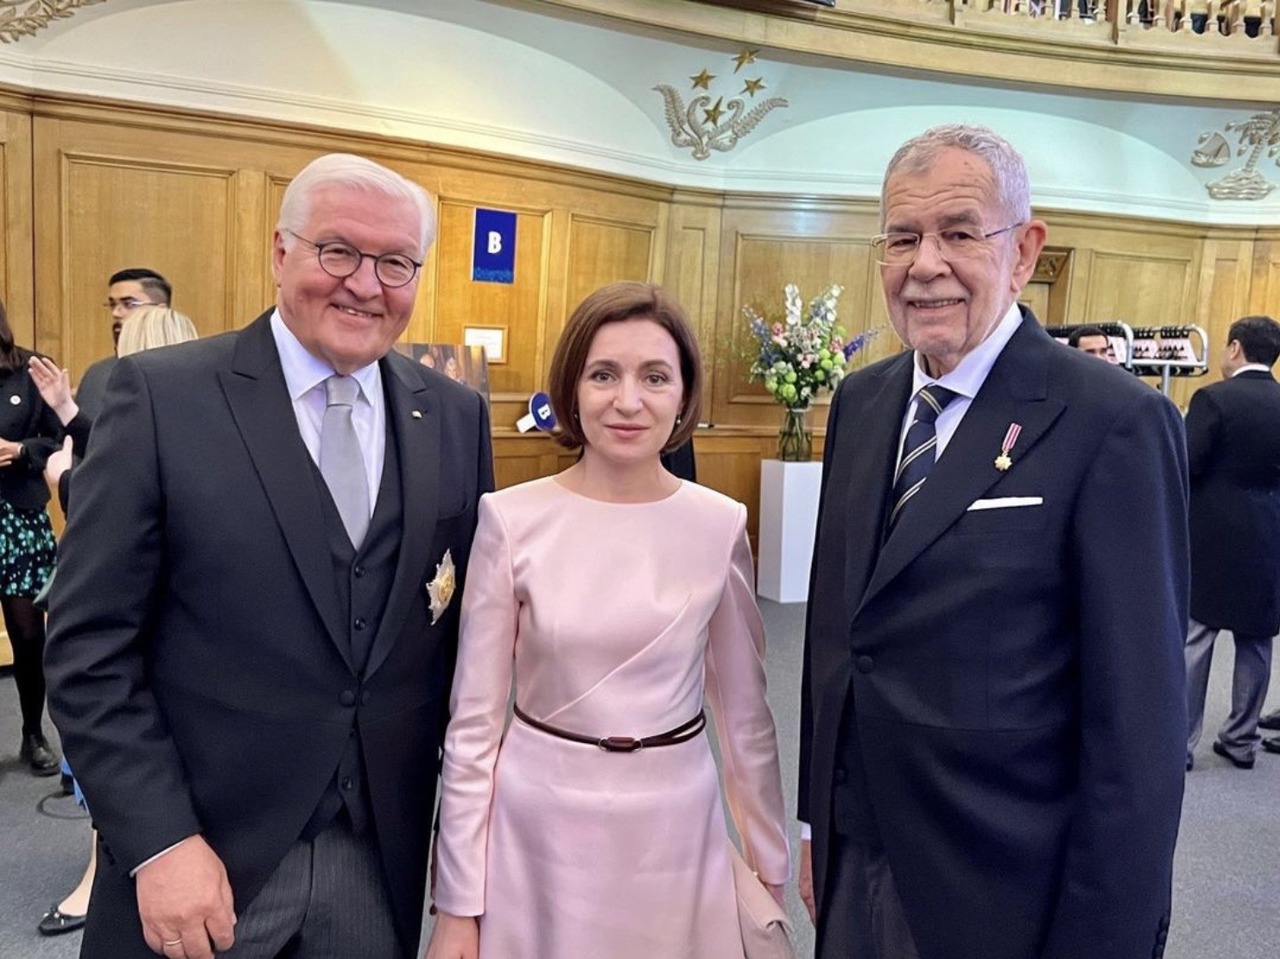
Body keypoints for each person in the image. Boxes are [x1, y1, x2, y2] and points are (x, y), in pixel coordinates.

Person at [44, 152, 494, 959]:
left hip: (377, 861)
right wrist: (157, 839)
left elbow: (468, 652)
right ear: (280, 252)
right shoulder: (160, 398)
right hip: (201, 860)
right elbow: (86, 648)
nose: (366, 282)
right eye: (338, 250)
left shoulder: (454, 417)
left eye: (395, 262)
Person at [799, 124, 1188, 959]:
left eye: (959, 232)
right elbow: (839, 636)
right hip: (858, 854)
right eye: (902, 237)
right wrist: (816, 820)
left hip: (1007, 886)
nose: (925, 263)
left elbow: (1139, 728)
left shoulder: (1113, 422)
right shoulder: (863, 404)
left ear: (1023, 250)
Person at [426, 281, 789, 959]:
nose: (627, 400)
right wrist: (457, 903)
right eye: (603, 374)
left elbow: (746, 720)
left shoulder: (719, 524)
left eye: (655, 376)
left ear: (683, 396)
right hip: (540, 830)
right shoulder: (511, 519)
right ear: (571, 388)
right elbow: (473, 728)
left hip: (676, 826)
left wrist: (770, 863)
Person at [29, 306, 201, 938]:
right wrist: (66, 411)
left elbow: (111, 513)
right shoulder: (196, 412)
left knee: (118, 737)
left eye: (124, 314)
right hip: (159, 622)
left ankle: (101, 876)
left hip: (141, 620)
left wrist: (60, 479)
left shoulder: (142, 394)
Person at [1183, 315, 1280, 770]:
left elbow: (1188, 463)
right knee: (1257, 639)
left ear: (1235, 348)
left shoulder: (1213, 399)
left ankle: (1180, 744)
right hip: (1269, 532)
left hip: (1212, 532)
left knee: (1197, 637)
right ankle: (1242, 740)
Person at [0, 298, 64, 776]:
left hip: (18, 518)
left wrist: (21, 449)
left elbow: (62, 439)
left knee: (27, 634)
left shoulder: (28, 369)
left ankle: (32, 733)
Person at [75, 268, 171, 421]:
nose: (116, 313)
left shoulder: (183, 370)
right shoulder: (98, 374)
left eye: (129, 304)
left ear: (160, 311)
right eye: (113, 304)